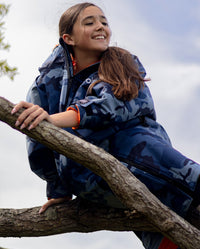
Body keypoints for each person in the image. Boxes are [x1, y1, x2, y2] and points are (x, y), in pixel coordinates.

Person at [11, 2, 200, 249]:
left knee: (162, 224)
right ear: (68, 38)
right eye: (89, 22)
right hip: (88, 174)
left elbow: (116, 105)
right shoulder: (46, 83)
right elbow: (38, 141)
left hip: (144, 153)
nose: (100, 27)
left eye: (104, 22)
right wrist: (57, 191)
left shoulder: (123, 62)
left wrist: (53, 120)